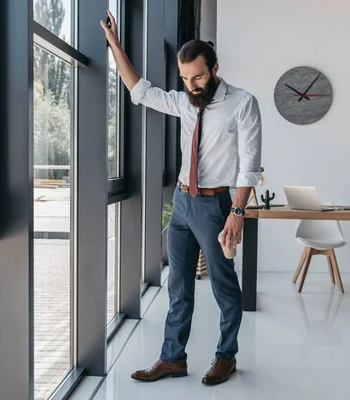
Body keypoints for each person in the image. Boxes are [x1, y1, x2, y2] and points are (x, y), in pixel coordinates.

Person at [101, 11, 262, 386]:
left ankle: (226, 356)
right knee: (179, 286)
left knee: (224, 285)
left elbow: (250, 167)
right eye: (186, 78)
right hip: (183, 202)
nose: (192, 85)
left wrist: (237, 213)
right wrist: (114, 43)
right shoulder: (184, 100)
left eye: (199, 77)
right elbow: (139, 90)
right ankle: (173, 358)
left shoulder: (242, 104)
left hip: (217, 205)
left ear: (216, 68)